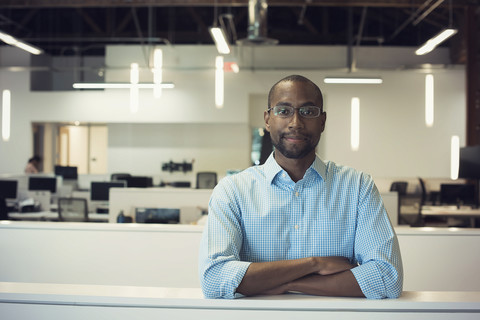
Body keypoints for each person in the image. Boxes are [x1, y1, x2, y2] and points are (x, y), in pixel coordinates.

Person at [199, 75, 403, 299]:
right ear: (267, 119)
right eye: (284, 111)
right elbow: (214, 278)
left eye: (308, 112)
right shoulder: (232, 191)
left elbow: (386, 277)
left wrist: (284, 283)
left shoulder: (358, 187)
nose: (295, 122)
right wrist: (313, 264)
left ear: (322, 121)